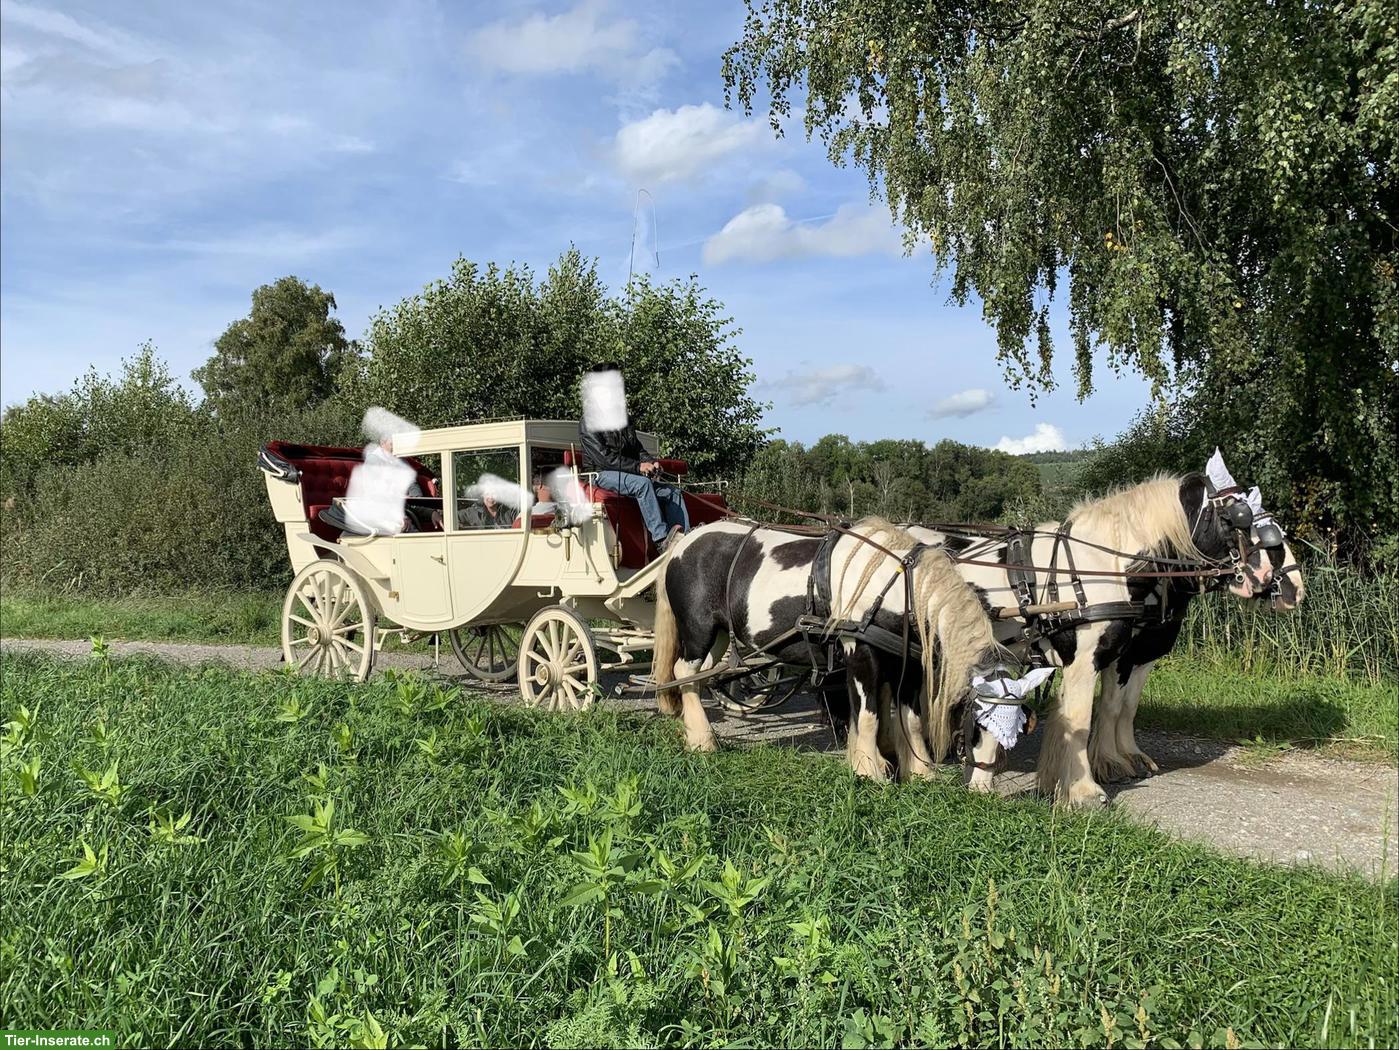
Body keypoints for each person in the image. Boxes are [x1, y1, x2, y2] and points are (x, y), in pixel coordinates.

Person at [579, 364, 689, 553]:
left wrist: (651, 462)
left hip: (625, 472)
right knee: (643, 485)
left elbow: (637, 448)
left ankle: (686, 541)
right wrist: (639, 467)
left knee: (673, 493)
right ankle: (661, 540)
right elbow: (605, 459)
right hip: (600, 474)